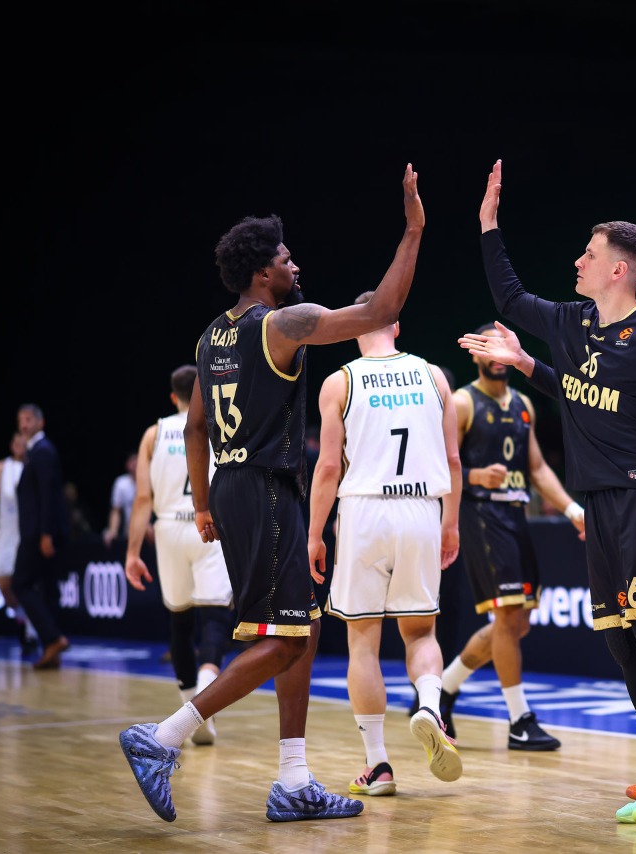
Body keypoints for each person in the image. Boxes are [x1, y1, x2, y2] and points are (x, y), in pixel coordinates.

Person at [118, 162, 425, 825]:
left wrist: (205, 503)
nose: (295, 265)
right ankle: (162, 737)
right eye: (286, 259)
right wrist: (412, 231)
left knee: (301, 630)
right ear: (264, 273)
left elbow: (196, 425)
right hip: (267, 489)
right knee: (286, 640)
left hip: (233, 487)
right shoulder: (280, 325)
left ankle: (293, 780)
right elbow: (381, 312)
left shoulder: (211, 335)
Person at [474, 159, 636, 826]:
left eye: (588, 255)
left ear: (619, 269)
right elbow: (513, 304)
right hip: (597, 501)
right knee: (621, 641)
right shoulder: (573, 322)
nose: (578, 261)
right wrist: (488, 225)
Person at [307, 291, 463, 797]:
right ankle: (430, 705)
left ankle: (378, 766)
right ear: (396, 326)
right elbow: (453, 461)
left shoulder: (340, 381)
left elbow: (328, 467)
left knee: (363, 640)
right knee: (420, 633)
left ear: (356, 327)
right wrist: (450, 522)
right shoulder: (435, 376)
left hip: (364, 512)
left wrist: (315, 533)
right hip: (421, 508)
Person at [435, 320, 586, 751]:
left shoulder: (523, 404)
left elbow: (537, 468)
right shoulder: (463, 403)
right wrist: (476, 475)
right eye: (489, 346)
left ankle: (443, 690)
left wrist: (572, 509)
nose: (497, 354)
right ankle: (520, 720)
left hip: (516, 516)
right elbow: (440, 463)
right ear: (476, 354)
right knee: (506, 617)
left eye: (503, 346)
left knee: (516, 624)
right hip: (481, 517)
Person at [124, 365, 235, 747]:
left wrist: (132, 552)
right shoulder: (219, 424)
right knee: (216, 617)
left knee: (180, 622)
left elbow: (143, 498)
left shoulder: (153, 434)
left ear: (173, 396)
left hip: (169, 529)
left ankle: (191, 707)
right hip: (210, 524)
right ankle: (202, 703)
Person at [12, 404, 72, 669]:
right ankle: (51, 650)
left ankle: (53, 638)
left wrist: (46, 534)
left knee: (20, 584)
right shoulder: (36, 451)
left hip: (39, 533)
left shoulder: (43, 451)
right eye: (20, 420)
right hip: (39, 532)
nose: (23, 425)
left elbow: (48, 496)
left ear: (40, 422)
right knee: (47, 589)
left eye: (28, 419)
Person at [0, 433, 36, 654]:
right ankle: (21, 617)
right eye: (17, 442)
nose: (20, 446)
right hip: (6, 531)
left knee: (27, 583)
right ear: (12, 445)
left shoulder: (33, 466)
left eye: (24, 443)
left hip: (27, 532)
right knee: (4, 583)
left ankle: (31, 632)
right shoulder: (1, 469)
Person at [102, 451, 138, 548]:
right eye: (132, 460)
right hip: (128, 533)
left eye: (137, 459)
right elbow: (116, 510)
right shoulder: (121, 483)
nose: (135, 463)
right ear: (127, 464)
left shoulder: (151, 480)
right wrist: (113, 530)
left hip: (149, 532)